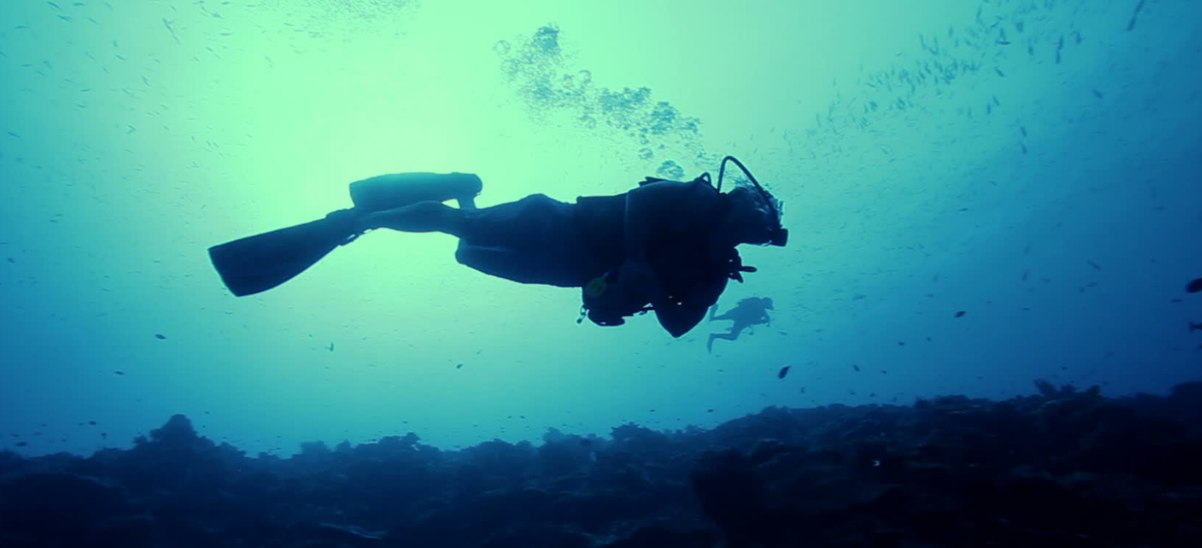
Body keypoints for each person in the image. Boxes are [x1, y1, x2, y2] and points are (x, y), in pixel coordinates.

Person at [209, 156, 788, 339]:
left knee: (469, 242)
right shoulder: (692, 195)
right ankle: (354, 224)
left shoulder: (717, 270)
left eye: (768, 224)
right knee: (456, 230)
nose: (763, 224)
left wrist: (653, 287)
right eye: (761, 210)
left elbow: (678, 327)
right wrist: (637, 259)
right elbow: (641, 204)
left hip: (565, 269)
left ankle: (463, 191)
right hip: (561, 226)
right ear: (741, 199)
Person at [706, 296, 774, 352]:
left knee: (732, 336)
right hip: (739, 317)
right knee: (732, 335)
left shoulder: (761, 311)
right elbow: (752, 320)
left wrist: (762, 321)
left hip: (740, 319)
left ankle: (714, 335)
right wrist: (763, 320)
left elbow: (753, 320)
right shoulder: (759, 307)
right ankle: (714, 335)